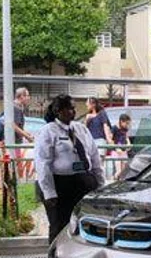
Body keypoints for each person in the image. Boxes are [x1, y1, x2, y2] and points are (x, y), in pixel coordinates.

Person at [35, 94, 106, 244]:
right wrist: (49, 193)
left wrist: (100, 184)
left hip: (82, 182)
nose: (73, 112)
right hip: (60, 184)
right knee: (59, 226)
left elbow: (94, 157)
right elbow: (43, 164)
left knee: (84, 226)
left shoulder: (81, 129)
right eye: (69, 109)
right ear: (58, 111)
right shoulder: (48, 131)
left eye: (74, 108)